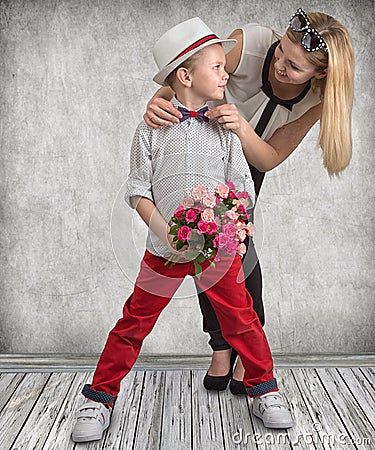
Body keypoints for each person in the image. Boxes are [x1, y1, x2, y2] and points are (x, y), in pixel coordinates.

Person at [71, 17, 294, 443]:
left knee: (241, 320)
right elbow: (137, 192)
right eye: (216, 66)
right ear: (186, 76)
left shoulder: (226, 132)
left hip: (216, 250)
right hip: (164, 250)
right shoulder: (150, 132)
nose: (225, 72)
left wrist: (234, 228)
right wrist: (165, 231)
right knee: (134, 322)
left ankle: (265, 389)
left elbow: (242, 190)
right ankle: (98, 398)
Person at [144, 8, 354, 394]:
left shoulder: (318, 100)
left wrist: (240, 125)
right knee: (198, 247)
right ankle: (222, 346)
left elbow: (269, 157)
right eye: (280, 52)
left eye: (293, 66)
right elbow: (189, 72)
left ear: (319, 75)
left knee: (236, 252)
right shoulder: (252, 42)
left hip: (247, 160)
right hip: (199, 148)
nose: (279, 64)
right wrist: (158, 101)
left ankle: (245, 349)